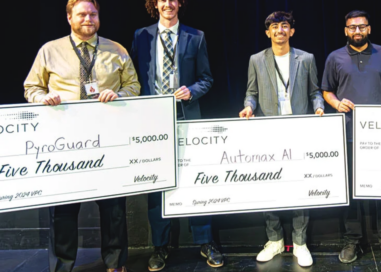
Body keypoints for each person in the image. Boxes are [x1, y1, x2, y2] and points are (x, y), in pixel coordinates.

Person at [23, 1, 140, 271]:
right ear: (69, 18)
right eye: (82, 14)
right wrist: (43, 97)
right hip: (64, 142)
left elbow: (134, 85)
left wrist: (119, 94)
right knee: (63, 209)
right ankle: (63, 265)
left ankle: (115, 263)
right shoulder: (49, 50)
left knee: (113, 207)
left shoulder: (117, 50)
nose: (88, 19)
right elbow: (31, 87)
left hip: (108, 139)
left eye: (93, 14)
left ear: (99, 17)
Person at [130, 0, 218, 270]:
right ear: (154, 4)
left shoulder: (196, 36)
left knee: (196, 178)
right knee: (158, 182)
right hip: (153, 118)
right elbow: (134, 77)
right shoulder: (141, 36)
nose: (167, 3)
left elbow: (206, 78)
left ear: (179, 4)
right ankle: (160, 246)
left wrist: (192, 90)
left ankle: (205, 241)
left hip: (187, 115)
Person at [239, 11, 324, 267]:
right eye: (274, 26)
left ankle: (300, 242)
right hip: (268, 130)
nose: (279, 30)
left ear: (292, 31)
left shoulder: (306, 58)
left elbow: (314, 91)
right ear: (267, 32)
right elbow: (251, 92)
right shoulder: (256, 59)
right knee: (270, 185)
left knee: (300, 185)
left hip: (299, 128)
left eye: (284, 26)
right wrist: (249, 108)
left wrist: (319, 107)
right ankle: (274, 240)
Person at [322, 10, 381, 264]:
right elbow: (327, 91)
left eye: (361, 27)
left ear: (369, 29)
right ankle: (352, 241)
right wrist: (336, 104)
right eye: (352, 28)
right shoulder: (335, 57)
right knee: (351, 191)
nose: (357, 31)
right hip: (347, 134)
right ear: (345, 31)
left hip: (380, 135)